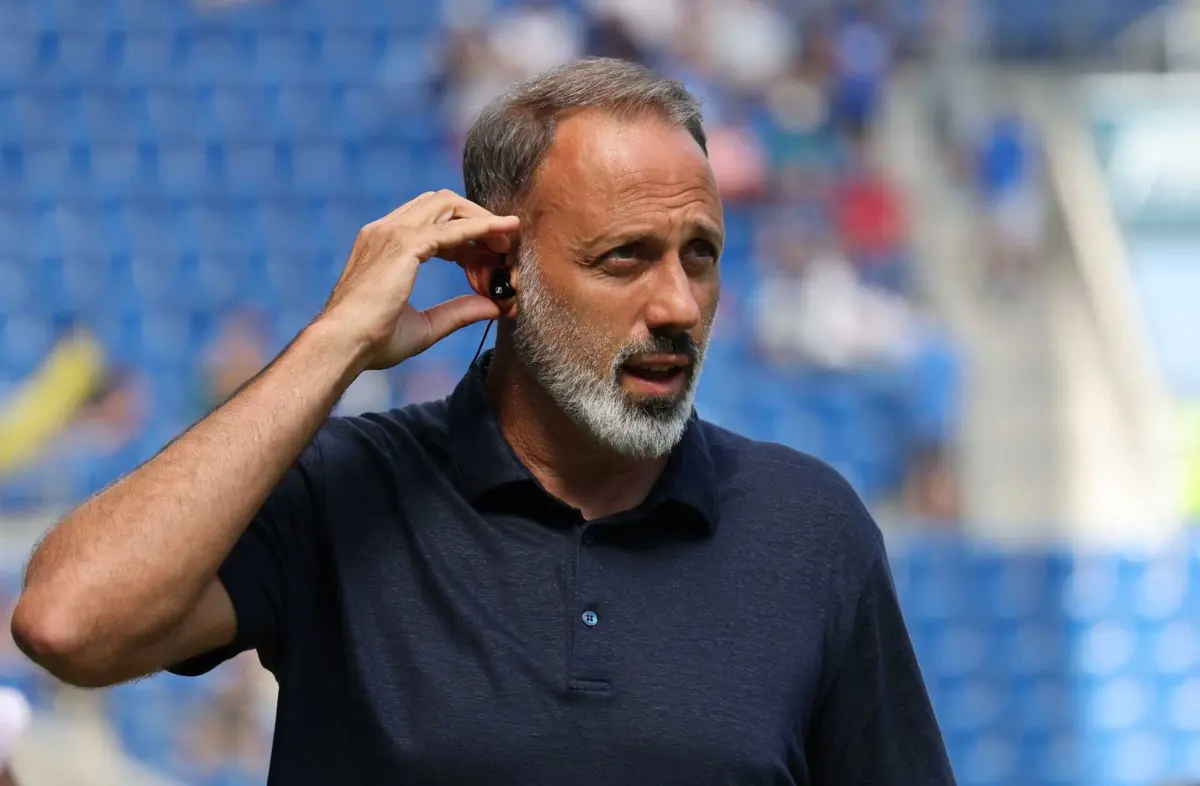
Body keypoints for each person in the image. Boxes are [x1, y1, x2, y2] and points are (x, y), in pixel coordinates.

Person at [12, 58, 954, 785]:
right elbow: (69, 622)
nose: (678, 303)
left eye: (699, 255)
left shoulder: (808, 529)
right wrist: (336, 339)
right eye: (626, 257)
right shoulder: (344, 491)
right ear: (495, 272)